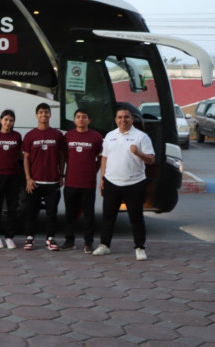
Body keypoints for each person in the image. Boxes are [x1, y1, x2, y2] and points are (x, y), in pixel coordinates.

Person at [93, 106, 155, 261]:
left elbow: (151, 159)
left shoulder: (141, 137)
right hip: (112, 182)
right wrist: (102, 179)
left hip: (135, 183)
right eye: (120, 117)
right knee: (108, 216)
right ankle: (104, 245)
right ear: (115, 120)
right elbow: (105, 158)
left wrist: (138, 152)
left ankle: (140, 248)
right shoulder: (110, 136)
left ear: (132, 119)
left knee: (136, 218)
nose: (123, 120)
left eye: (126, 117)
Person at [22, 102, 66, 251]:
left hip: (52, 181)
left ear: (50, 115)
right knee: (31, 212)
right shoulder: (30, 135)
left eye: (46, 112)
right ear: (36, 115)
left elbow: (62, 156)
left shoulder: (57, 135)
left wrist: (61, 175)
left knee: (51, 213)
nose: (43, 115)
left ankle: (50, 239)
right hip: (34, 182)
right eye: (40, 112)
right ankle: (29, 238)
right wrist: (28, 179)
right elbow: (26, 158)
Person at [62, 109, 103, 253]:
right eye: (78, 117)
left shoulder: (96, 137)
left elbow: (100, 158)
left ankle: (88, 243)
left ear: (89, 120)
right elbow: (65, 155)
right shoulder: (68, 136)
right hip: (70, 182)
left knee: (89, 215)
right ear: (74, 120)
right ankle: (69, 242)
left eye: (84, 117)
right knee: (70, 214)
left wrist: (93, 170)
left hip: (88, 183)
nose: (81, 119)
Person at [0, 109, 23, 249]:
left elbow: (20, 155)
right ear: (0, 120)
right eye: (6, 119)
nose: (8, 122)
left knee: (12, 207)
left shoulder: (17, 136)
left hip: (13, 176)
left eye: (11, 120)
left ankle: (9, 237)